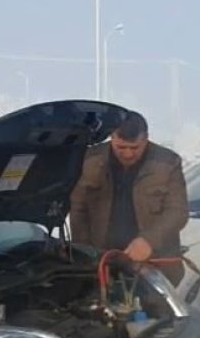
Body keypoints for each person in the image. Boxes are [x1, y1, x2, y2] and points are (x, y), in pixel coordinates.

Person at [70, 111, 189, 285]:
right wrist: (84, 254)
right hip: (102, 262)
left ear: (146, 139)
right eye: (121, 147)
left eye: (134, 148)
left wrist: (149, 241)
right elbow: (78, 209)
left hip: (154, 265)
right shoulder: (90, 160)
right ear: (112, 137)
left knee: (155, 311)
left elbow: (177, 212)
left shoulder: (167, 163)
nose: (127, 154)